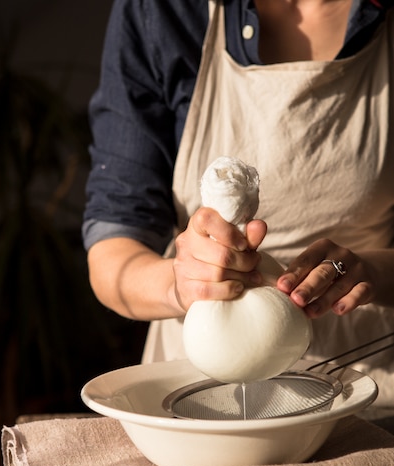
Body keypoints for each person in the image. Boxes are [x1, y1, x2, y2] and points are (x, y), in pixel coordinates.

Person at [83, 0, 394, 406]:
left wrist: (373, 270)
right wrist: (179, 286)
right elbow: (112, 253)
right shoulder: (165, 11)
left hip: (361, 388)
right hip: (196, 392)